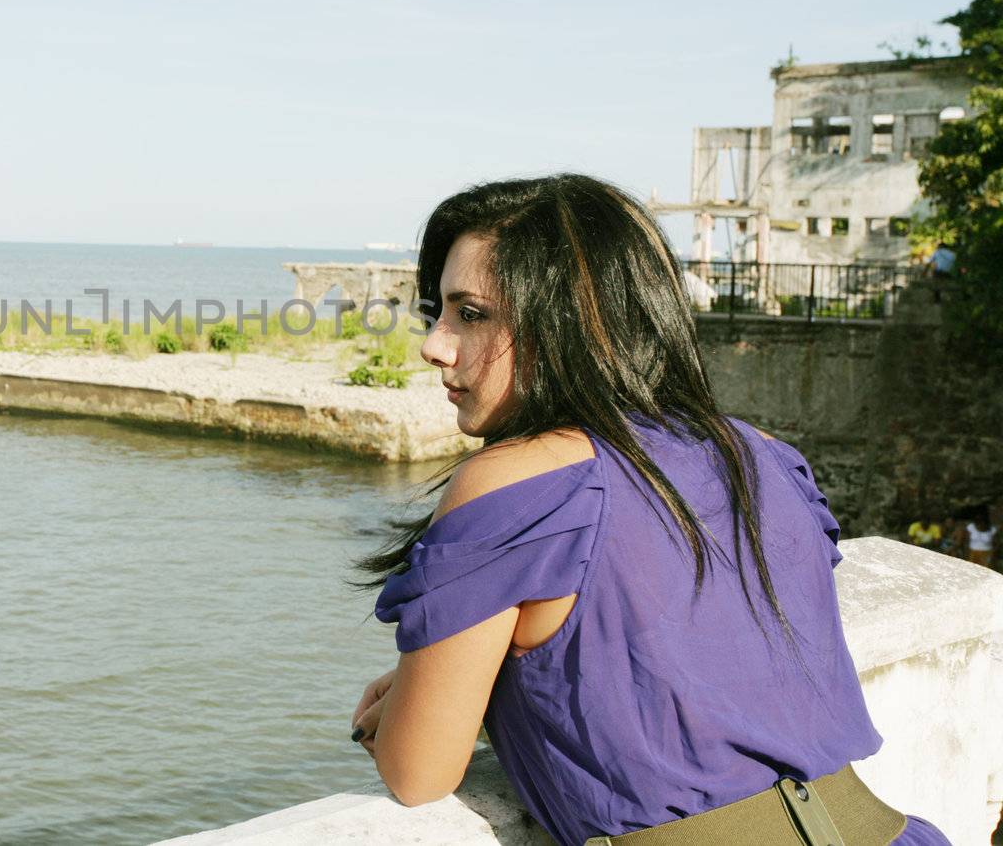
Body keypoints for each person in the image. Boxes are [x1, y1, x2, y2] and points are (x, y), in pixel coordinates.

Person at [346, 175, 950, 846]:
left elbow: (418, 769)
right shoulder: (761, 455)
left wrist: (418, 695)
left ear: (574, 318)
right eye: (439, 311)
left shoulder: (510, 485)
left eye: (472, 313)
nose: (435, 343)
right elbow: (690, 656)